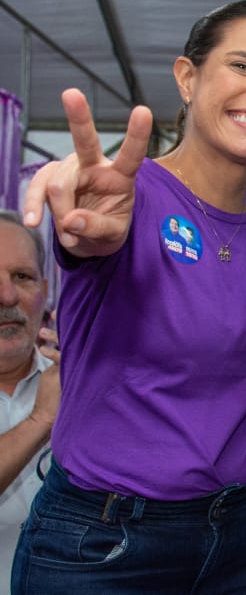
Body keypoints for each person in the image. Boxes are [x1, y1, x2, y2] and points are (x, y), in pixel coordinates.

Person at [12, 0, 246, 593]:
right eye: (243, 66)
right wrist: (86, 218)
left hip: (245, 536)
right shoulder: (125, 195)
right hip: (104, 545)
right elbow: (92, 234)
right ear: (187, 77)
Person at [0, 212, 58, 594]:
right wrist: (41, 420)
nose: (7, 296)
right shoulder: (55, 403)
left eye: (22, 276)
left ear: (45, 289)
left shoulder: (83, 386)